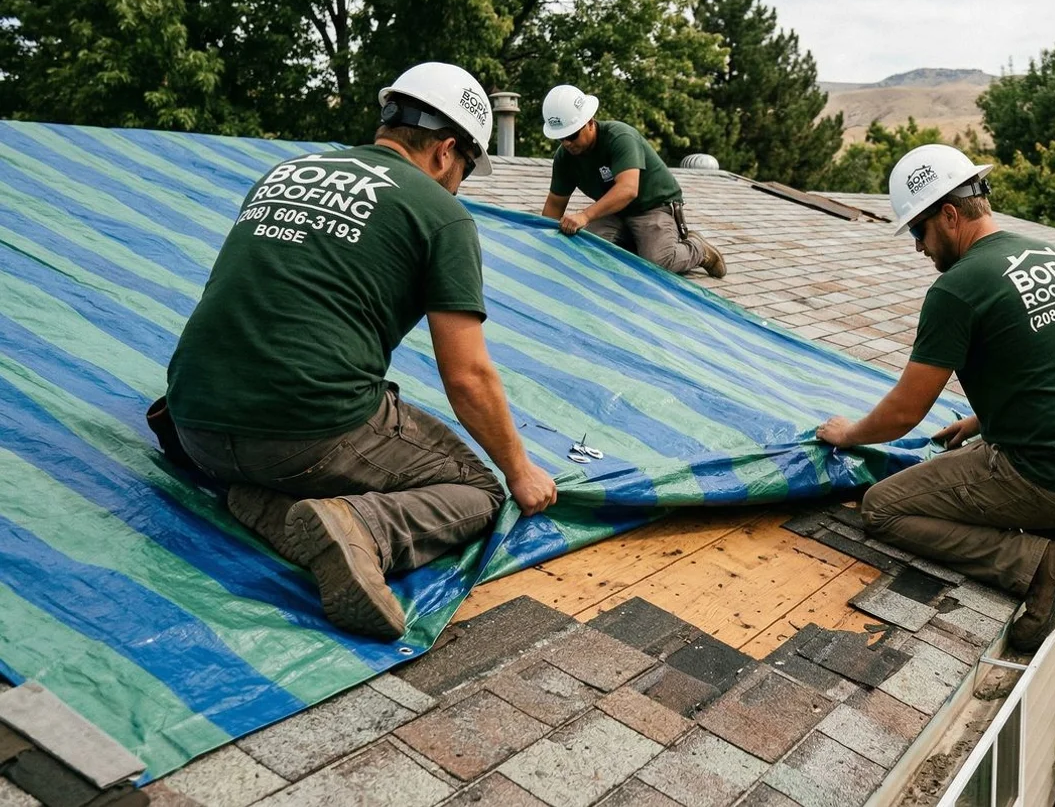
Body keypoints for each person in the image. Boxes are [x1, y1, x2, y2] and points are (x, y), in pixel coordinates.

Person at [165, 62, 557, 640]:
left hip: (192, 425)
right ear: (447, 151)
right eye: (464, 171)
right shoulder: (440, 213)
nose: (457, 185)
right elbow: (469, 376)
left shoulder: (286, 171)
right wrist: (521, 471)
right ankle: (359, 528)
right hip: (301, 435)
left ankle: (269, 506)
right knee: (478, 487)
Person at [815, 144, 1055, 653]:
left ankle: (1043, 565)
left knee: (882, 508)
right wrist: (983, 420)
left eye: (918, 231)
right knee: (979, 453)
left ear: (948, 214)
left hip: (1051, 475)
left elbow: (904, 412)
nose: (919, 246)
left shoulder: (958, 288)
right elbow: (1054, 367)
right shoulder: (1051, 256)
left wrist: (847, 433)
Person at [538, 84, 725, 278]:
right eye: (561, 138)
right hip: (614, 212)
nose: (567, 143)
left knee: (656, 263)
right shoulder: (565, 158)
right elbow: (554, 204)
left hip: (652, 207)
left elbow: (628, 190)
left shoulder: (619, 137)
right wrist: (544, 245)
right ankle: (637, 244)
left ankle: (698, 249)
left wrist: (584, 216)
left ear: (590, 122)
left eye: (572, 135)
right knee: (583, 250)